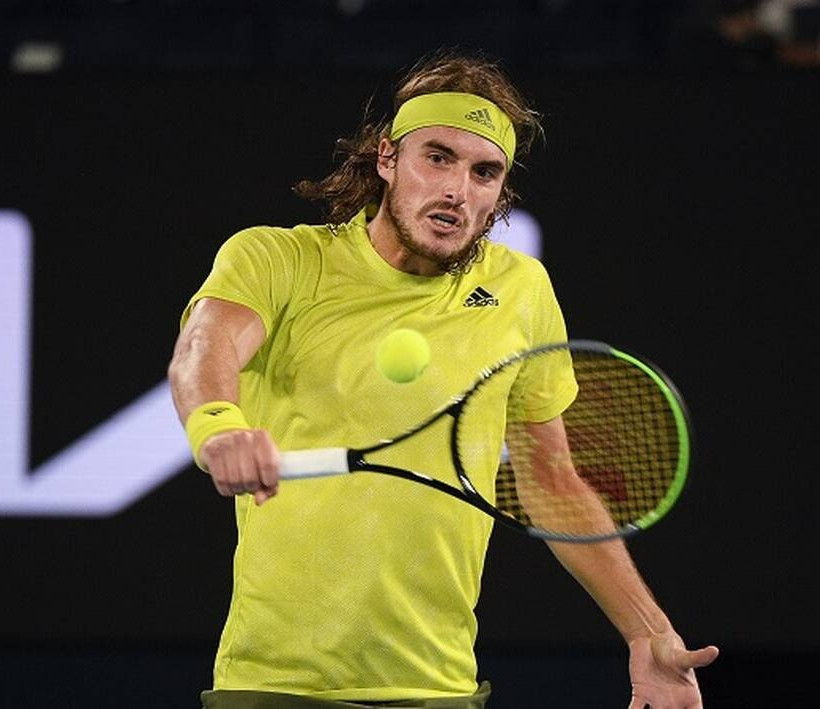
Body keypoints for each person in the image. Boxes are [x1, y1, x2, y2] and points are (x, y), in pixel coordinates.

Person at [168, 50, 719, 709]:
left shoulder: (520, 289)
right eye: (438, 157)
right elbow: (206, 346)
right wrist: (219, 427)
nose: (459, 189)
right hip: (275, 685)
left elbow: (550, 479)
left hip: (440, 686)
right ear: (386, 157)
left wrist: (649, 633)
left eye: (485, 172)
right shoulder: (280, 259)